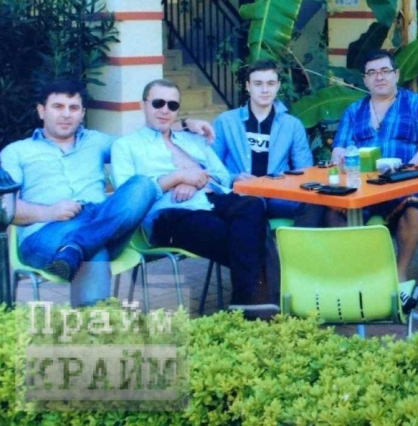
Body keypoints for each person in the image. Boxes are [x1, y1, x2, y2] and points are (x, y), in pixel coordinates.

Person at [111, 79, 273, 314]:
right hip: (171, 213)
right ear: (142, 105)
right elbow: (128, 197)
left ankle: (246, 305)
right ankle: (258, 301)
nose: (165, 110)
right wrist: (178, 177)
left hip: (214, 199)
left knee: (253, 205)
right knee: (249, 237)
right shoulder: (126, 146)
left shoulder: (191, 139)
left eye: (172, 105)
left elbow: (222, 175)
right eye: (158, 103)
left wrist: (197, 180)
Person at [0, 79, 157, 306]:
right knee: (93, 253)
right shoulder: (17, 152)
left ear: (82, 113)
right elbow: (6, 207)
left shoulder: (97, 141)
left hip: (98, 220)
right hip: (47, 232)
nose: (66, 114)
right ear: (41, 111)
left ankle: (77, 246)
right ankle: (93, 322)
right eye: (58, 106)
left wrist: (183, 126)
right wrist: (49, 212)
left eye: (73, 108)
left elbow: (141, 146)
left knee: (143, 185)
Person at [331, 50, 418, 281]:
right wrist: (340, 156)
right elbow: (338, 149)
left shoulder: (417, 104)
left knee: (414, 210)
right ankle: (361, 273)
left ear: (396, 74)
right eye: (372, 73)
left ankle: (399, 273)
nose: (379, 77)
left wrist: (405, 171)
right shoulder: (353, 111)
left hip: (404, 183)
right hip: (361, 186)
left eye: (384, 71)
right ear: (365, 79)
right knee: (333, 211)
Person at [212, 58, 324, 226]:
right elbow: (211, 167)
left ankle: (295, 243)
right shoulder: (226, 121)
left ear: (278, 86)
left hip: (277, 195)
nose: (265, 90)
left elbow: (304, 171)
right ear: (248, 86)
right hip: (241, 195)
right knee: (251, 207)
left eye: (270, 83)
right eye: (258, 84)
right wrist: (234, 178)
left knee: (316, 204)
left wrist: (284, 184)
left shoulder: (292, 125)